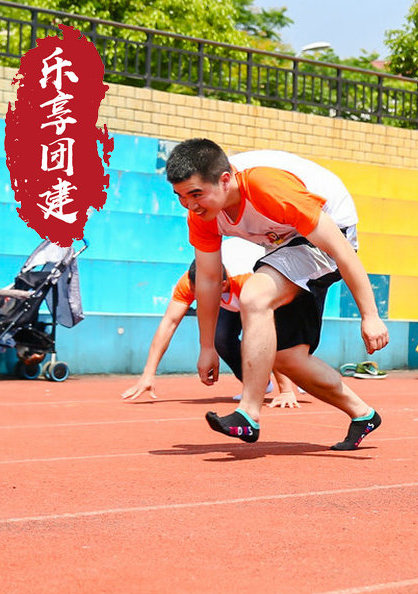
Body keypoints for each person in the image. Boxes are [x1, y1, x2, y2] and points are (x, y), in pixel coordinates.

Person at [165, 139, 389, 451]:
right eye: (181, 197)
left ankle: (249, 414)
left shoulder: (266, 186)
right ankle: (363, 415)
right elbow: (208, 279)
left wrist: (370, 315)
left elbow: (342, 251)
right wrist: (207, 347)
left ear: (225, 179)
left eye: (196, 194)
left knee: (255, 294)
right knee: (287, 357)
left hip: (330, 229)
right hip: (285, 242)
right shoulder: (202, 215)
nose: (190, 205)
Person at [120, 261, 301, 407]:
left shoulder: (246, 280)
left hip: (276, 286)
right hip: (231, 296)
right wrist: (148, 373)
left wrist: (286, 391)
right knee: (220, 338)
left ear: (221, 285)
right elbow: (169, 322)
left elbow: (269, 332)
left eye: (201, 295)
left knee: (260, 337)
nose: (198, 299)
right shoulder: (190, 282)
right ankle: (259, 386)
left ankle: (298, 376)